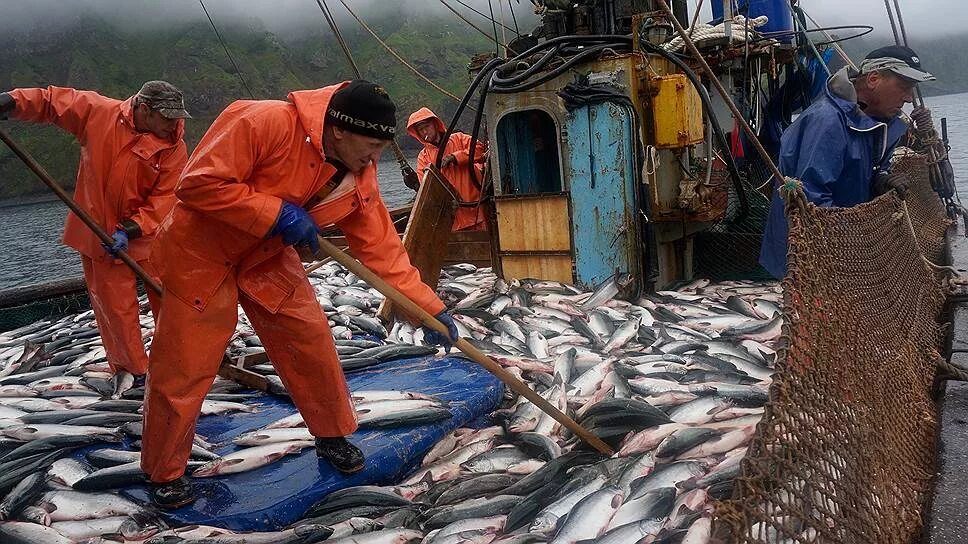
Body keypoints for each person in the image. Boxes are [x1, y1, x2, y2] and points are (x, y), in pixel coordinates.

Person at [140, 80, 461, 509]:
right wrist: (274, 211)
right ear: (340, 130)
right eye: (371, 145)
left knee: (310, 341)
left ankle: (331, 435)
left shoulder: (359, 179)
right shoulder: (262, 121)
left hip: (266, 257)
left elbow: (385, 253)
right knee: (184, 363)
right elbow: (196, 184)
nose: (375, 158)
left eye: (382, 148)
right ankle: (165, 472)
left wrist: (429, 309)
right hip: (199, 252)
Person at [0, 81, 189, 376]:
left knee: (172, 297)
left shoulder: (174, 146)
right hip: (98, 234)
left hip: (149, 235)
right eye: (167, 117)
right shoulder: (99, 112)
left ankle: (182, 362)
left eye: (176, 117)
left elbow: (167, 197)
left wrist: (131, 229)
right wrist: (10, 102)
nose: (173, 124)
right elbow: (53, 102)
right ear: (144, 109)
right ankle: (132, 374)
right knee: (116, 311)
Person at [759, 46, 936, 279]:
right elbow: (810, 200)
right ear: (873, 79)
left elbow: (868, 169)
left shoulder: (883, 122)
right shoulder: (827, 122)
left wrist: (881, 180)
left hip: (841, 253)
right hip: (802, 264)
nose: (908, 98)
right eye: (903, 87)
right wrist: (859, 238)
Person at [406, 107, 488, 231]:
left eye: (426, 127)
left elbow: (480, 150)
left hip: (477, 211)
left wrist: (456, 157)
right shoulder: (423, 157)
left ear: (435, 124)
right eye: (420, 130)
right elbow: (427, 187)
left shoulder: (459, 138)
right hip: (452, 221)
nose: (424, 132)